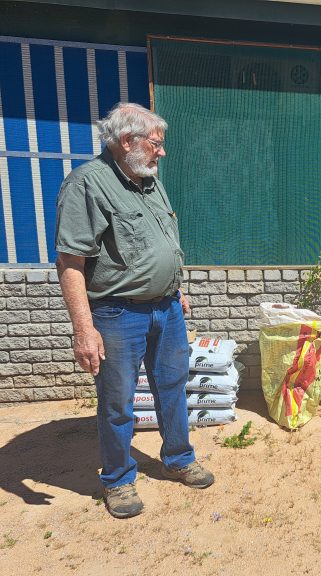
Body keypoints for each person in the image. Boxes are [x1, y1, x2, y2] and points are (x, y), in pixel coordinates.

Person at [55, 102, 214, 519]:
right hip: (116, 314)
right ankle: (119, 480)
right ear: (128, 141)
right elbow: (70, 262)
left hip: (167, 308)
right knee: (117, 400)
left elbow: (159, 240)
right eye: (156, 144)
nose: (161, 152)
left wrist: (174, 289)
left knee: (172, 387)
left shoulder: (148, 180)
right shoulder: (87, 185)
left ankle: (179, 458)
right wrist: (83, 329)